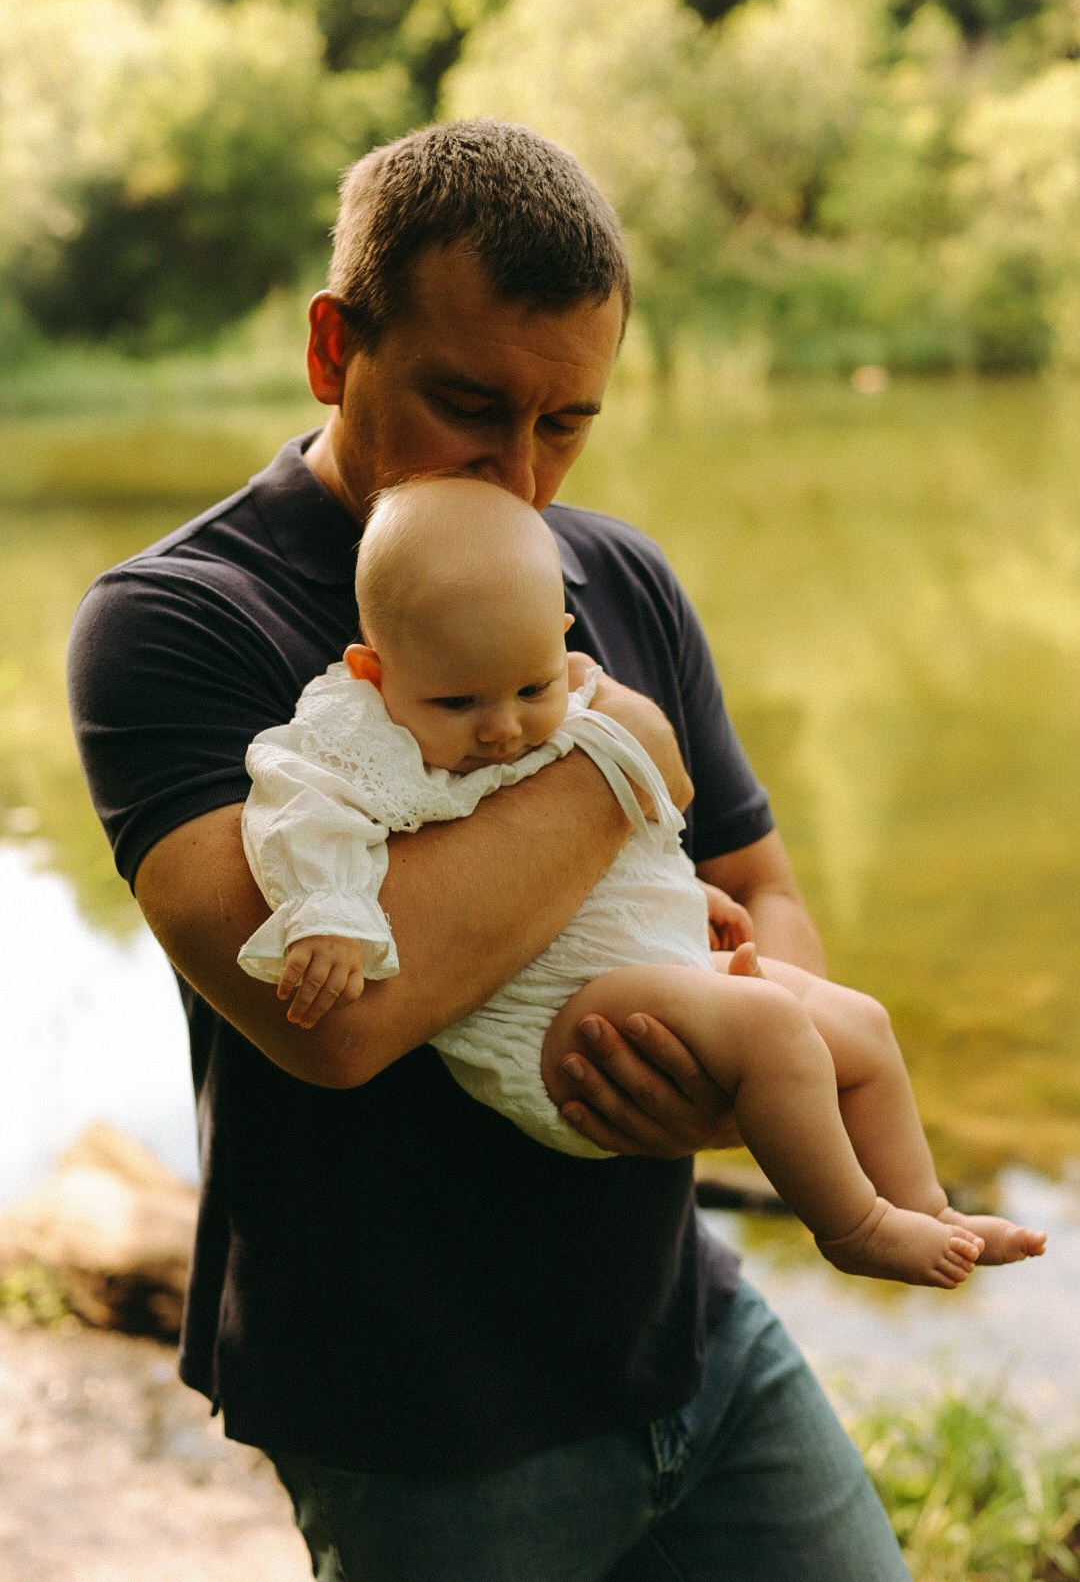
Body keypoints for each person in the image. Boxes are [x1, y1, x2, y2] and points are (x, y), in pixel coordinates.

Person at [69, 118, 925, 1579]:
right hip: (423, 1430)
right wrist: (610, 763)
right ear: (336, 348)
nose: (524, 476)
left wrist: (736, 1046)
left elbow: (764, 888)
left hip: (696, 1341)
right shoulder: (172, 626)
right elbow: (328, 1022)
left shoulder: (618, 570)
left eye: (568, 422)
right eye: (471, 405)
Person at [237, 474, 1045, 1288]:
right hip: (550, 1019)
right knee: (768, 1023)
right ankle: (853, 1226)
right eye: (458, 702)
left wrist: (688, 895)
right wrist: (329, 910)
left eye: (531, 689)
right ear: (373, 670)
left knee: (861, 1023)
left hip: (644, 960)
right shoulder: (362, 735)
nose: (504, 727)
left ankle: (923, 1206)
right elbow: (298, 806)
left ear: (558, 638)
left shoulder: (569, 686)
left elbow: (619, 845)